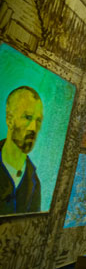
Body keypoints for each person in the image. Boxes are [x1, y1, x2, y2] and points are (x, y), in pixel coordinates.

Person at [1, 86, 43, 215]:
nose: (33, 128)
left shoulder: (34, 183)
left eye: (38, 120)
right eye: (28, 117)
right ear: (9, 120)